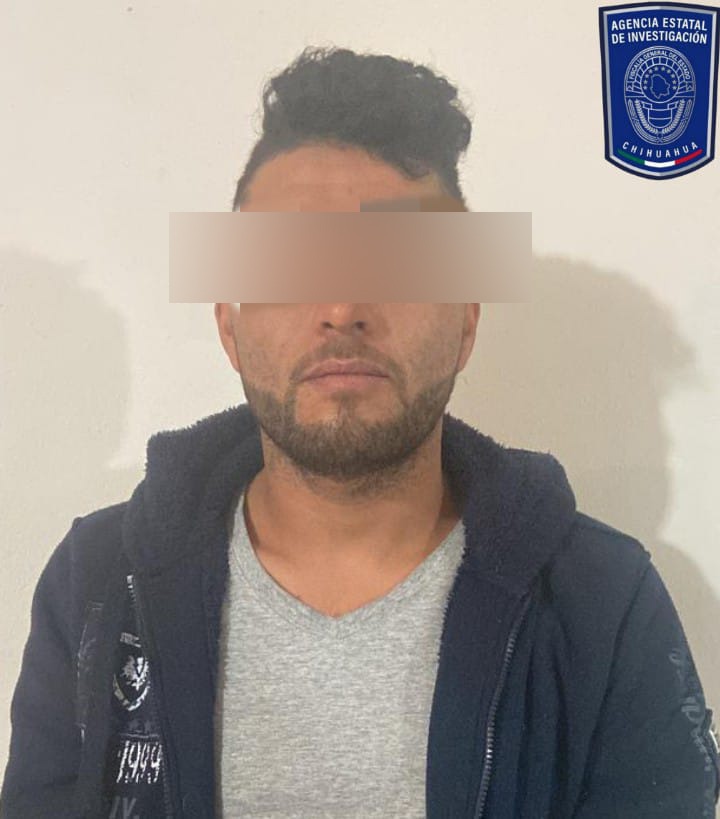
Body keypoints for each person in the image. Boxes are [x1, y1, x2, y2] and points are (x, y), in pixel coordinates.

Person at [2, 45, 718, 819]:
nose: (343, 307)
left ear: (466, 322)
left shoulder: (604, 605)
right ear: (229, 326)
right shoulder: (96, 583)